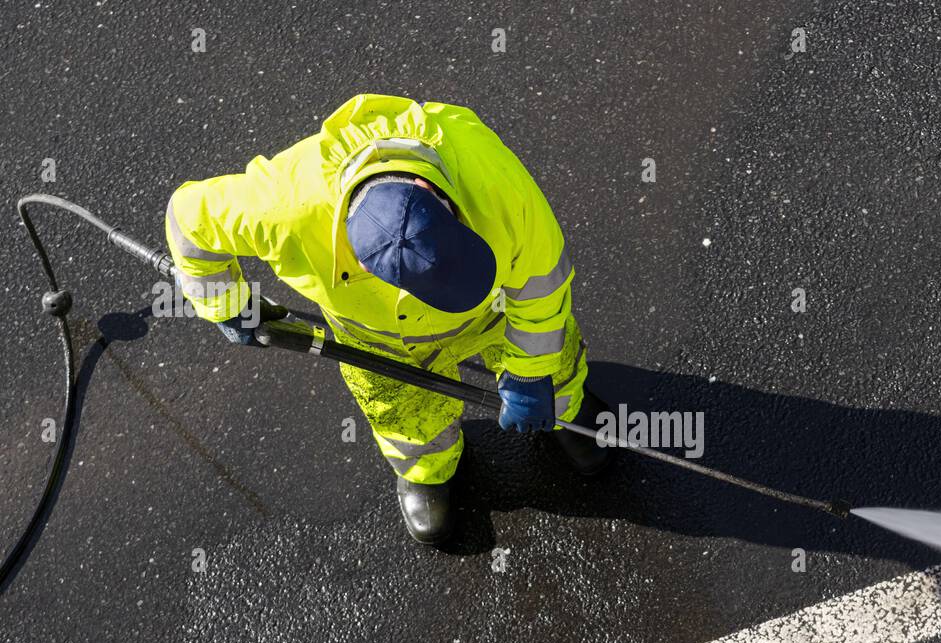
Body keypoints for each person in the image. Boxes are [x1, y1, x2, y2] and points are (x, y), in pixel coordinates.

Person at [165, 93, 611, 545]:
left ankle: (565, 409)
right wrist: (226, 303)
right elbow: (189, 222)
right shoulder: (281, 205)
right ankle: (427, 467)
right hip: (379, 340)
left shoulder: (492, 179)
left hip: (493, 313)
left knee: (553, 361)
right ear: (360, 263)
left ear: (434, 193)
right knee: (401, 410)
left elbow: (541, 287)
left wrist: (531, 373)